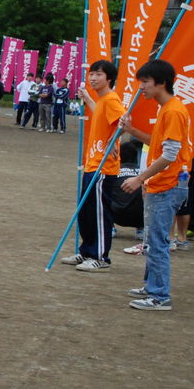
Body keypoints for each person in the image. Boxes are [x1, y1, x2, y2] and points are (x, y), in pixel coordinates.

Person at [120, 59, 191, 311]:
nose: (142, 88)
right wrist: (132, 130)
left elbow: (170, 154)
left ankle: (159, 296)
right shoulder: (167, 109)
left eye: (146, 83)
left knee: (158, 240)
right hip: (160, 183)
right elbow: (159, 143)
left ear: (161, 83)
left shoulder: (173, 110)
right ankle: (152, 285)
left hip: (168, 184)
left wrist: (140, 177)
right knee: (152, 238)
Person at [61, 60, 123, 271]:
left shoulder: (112, 99)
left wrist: (113, 139)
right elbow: (102, 115)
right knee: (86, 211)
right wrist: (88, 98)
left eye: (98, 74)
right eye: (91, 74)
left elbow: (123, 121)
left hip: (104, 167)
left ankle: (100, 256)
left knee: (99, 212)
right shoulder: (103, 100)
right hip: (92, 163)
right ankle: (86, 251)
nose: (93, 78)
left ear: (109, 78)